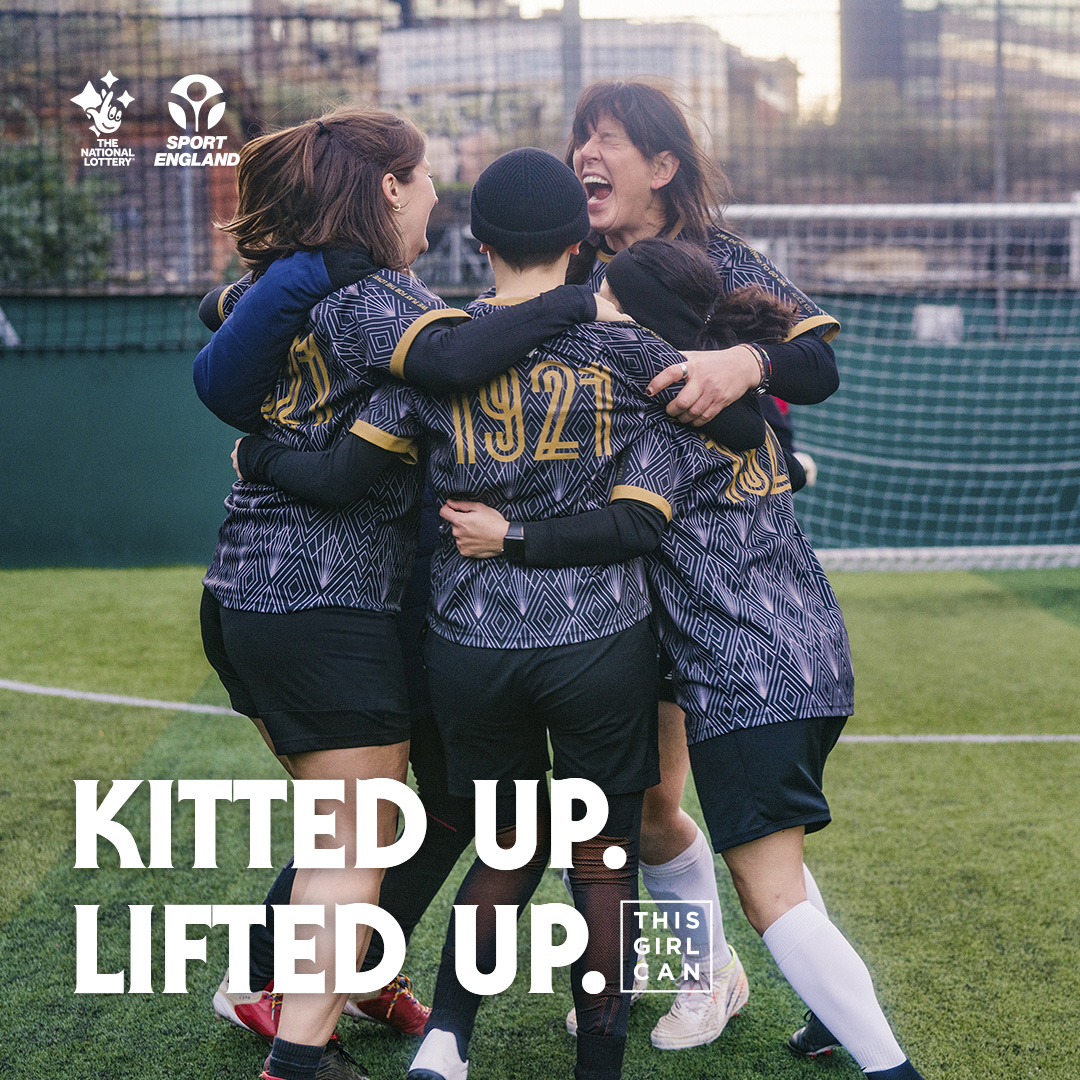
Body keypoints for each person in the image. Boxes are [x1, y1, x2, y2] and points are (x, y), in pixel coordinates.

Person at [227, 148, 775, 1080]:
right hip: (600, 640)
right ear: (579, 242)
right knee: (601, 856)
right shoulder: (627, 344)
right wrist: (703, 366)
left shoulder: (438, 345)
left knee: (502, 843)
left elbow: (345, 461)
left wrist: (257, 454)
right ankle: (599, 1060)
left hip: (470, 643)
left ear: (477, 241)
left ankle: (443, 1041)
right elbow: (740, 430)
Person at [197, 107, 625, 1080]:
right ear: (387, 189)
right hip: (321, 599)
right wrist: (588, 298)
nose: (436, 188)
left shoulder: (298, 286)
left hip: (254, 594)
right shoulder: (379, 298)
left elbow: (223, 315)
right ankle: (295, 1041)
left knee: (410, 809)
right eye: (425, 173)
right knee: (357, 833)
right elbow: (449, 363)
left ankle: (347, 974)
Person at [443, 236, 927, 1080]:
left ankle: (889, 1066)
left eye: (615, 304)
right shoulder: (732, 413)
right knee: (771, 863)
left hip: (742, 672)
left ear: (653, 329)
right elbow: (756, 423)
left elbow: (619, 505)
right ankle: (827, 1016)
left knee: (768, 894)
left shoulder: (666, 402)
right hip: (813, 656)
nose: (603, 316)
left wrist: (506, 530)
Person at [556, 78, 845, 1052]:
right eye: (579, 141)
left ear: (663, 163)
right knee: (636, 808)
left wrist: (745, 366)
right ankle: (717, 973)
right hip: (598, 577)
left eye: (606, 140)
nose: (586, 156)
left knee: (672, 804)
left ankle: (714, 975)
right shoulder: (564, 264)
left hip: (704, 583)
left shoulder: (718, 261)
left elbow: (818, 362)